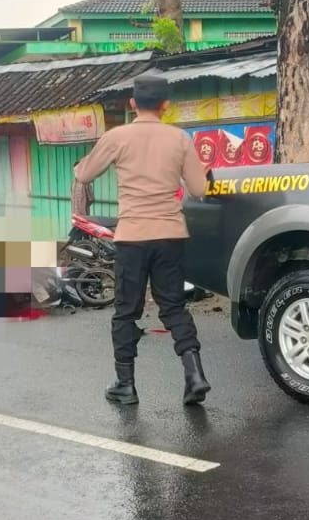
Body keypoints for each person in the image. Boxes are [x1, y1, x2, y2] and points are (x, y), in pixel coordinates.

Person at [74, 74, 212, 406]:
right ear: (166, 105)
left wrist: (85, 164)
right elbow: (199, 189)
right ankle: (195, 375)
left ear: (133, 104)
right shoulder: (179, 138)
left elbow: (84, 174)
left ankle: (126, 385)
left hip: (133, 236)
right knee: (174, 306)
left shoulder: (117, 136)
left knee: (126, 311)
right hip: (170, 235)